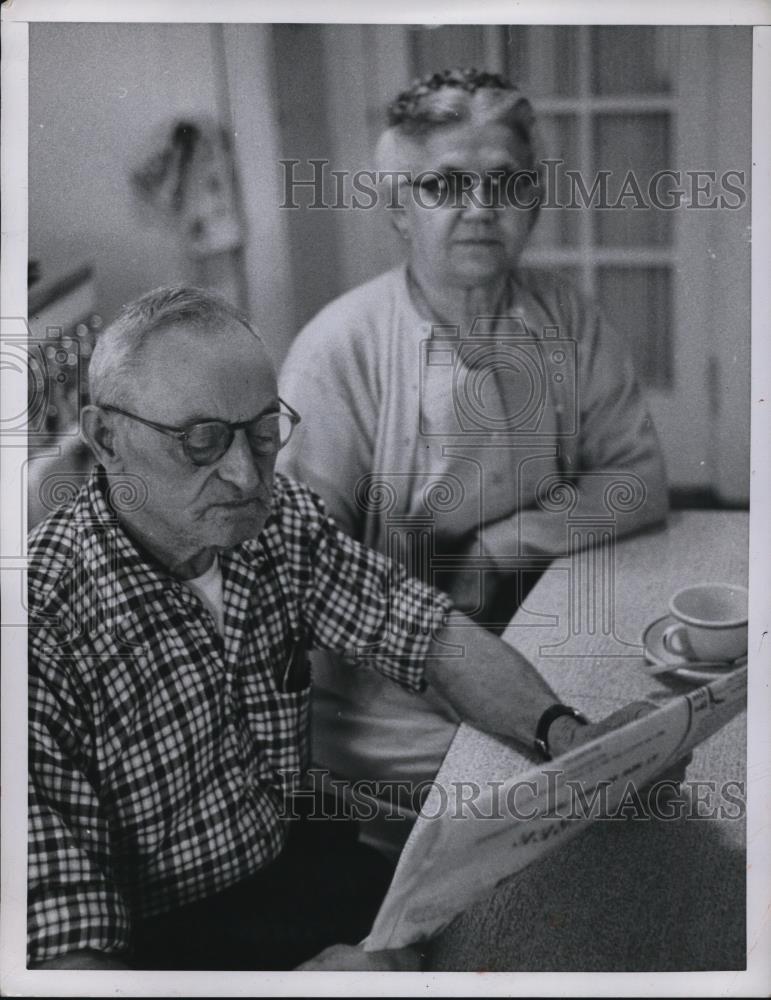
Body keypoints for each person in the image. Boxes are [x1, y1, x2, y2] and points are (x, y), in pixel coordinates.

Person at [27, 284, 655, 972]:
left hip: (285, 864)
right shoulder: (37, 633)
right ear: (105, 438)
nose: (243, 475)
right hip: (162, 946)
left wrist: (564, 735)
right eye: (200, 442)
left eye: (263, 435)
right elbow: (71, 964)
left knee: (525, 924)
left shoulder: (273, 519)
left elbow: (426, 633)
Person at [278, 68, 669, 821]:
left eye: (505, 183)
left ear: (535, 198)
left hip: (543, 627)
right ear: (398, 207)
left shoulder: (567, 315)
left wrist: (502, 545)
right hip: (389, 697)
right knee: (579, 810)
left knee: (659, 738)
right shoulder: (338, 350)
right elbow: (302, 570)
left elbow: (638, 478)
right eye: (444, 185)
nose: (481, 209)